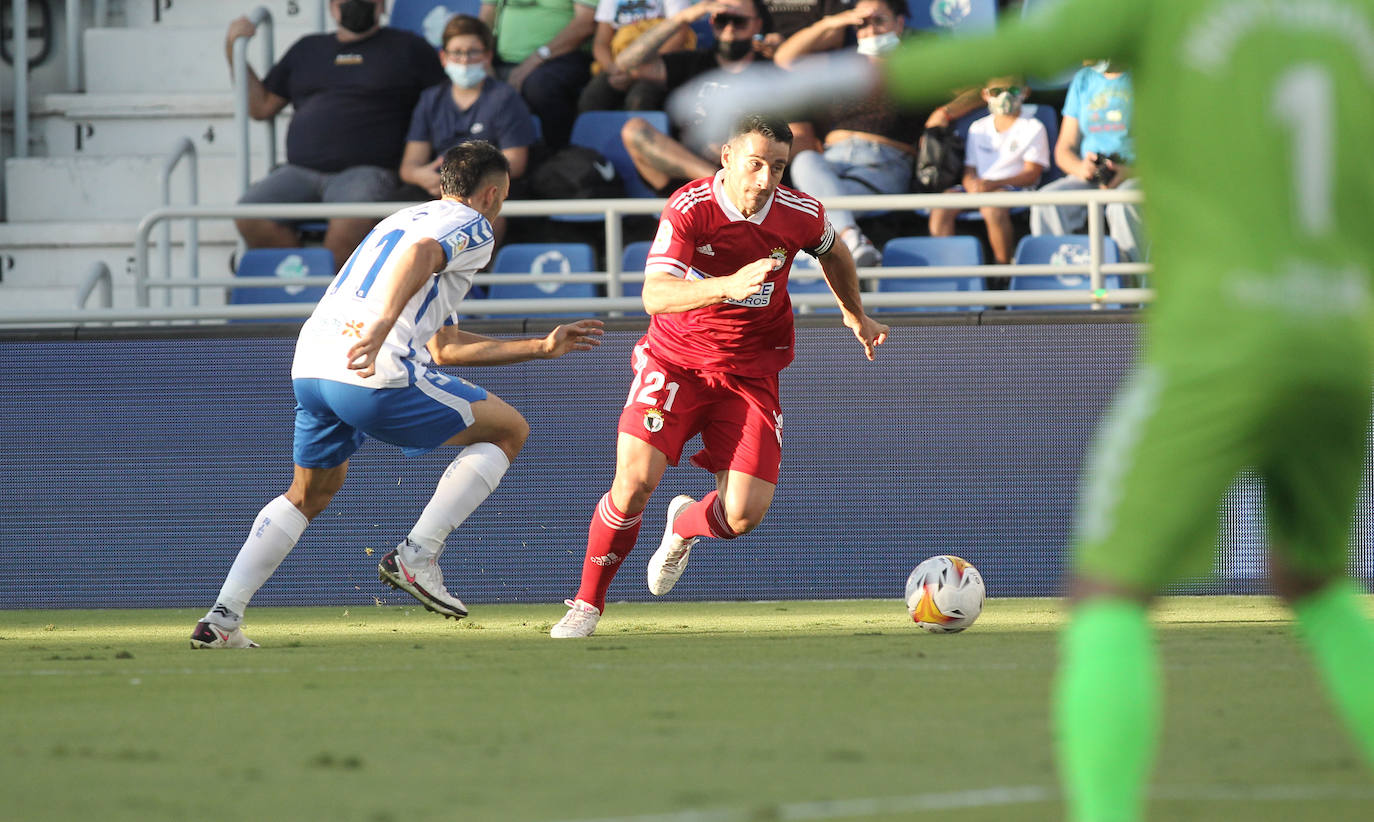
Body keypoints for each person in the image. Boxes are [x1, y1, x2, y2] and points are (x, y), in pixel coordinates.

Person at [676, 0, 1374, 818]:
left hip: (1227, 336)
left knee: (1110, 595)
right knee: (1317, 580)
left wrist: (782, 84)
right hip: (1345, 333)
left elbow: (985, 54)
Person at [191, 142, 604, 649]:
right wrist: (383, 324)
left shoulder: (400, 218)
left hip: (314, 366)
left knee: (309, 494)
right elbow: (421, 257)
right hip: (374, 368)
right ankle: (417, 555)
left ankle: (221, 619)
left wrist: (540, 347)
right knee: (509, 430)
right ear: (492, 193)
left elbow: (445, 347)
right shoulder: (473, 226)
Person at [550, 114, 888, 638]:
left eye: (778, 167)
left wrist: (854, 312)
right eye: (754, 164)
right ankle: (586, 605)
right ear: (727, 157)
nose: (764, 179)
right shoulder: (691, 208)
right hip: (676, 361)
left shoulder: (800, 213)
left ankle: (684, 524)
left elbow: (835, 252)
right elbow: (654, 294)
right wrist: (726, 285)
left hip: (751, 373)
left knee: (743, 516)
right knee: (635, 482)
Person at [225, 0, 446, 271]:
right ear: (331, 5)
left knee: (350, 223)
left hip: (367, 171)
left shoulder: (409, 47)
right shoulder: (307, 49)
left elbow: (447, 100)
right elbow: (261, 107)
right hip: (299, 171)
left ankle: (331, 305)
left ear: (382, 5)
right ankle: (304, 288)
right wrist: (232, 50)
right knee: (250, 213)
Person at [776, 0, 965, 267]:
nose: (871, 29)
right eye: (862, 23)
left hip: (884, 165)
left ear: (899, 23)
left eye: (879, 20)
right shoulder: (843, 68)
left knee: (807, 211)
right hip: (832, 163)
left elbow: (980, 87)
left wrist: (945, 112)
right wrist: (833, 22)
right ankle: (851, 239)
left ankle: (839, 246)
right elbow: (785, 58)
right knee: (806, 162)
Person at [612, 0, 781, 195]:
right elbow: (627, 64)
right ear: (711, 21)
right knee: (634, 130)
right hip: (691, 179)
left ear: (757, 25)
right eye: (722, 20)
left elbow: (794, 135)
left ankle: (726, 183)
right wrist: (681, 18)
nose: (729, 29)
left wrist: (739, 151)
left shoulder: (770, 72)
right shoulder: (693, 62)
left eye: (739, 21)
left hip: (749, 179)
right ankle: (720, 182)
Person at [400, 15, 538, 249]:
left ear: (487, 57)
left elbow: (516, 161)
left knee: (489, 211)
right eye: (457, 52)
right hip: (437, 190)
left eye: (473, 52)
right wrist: (424, 176)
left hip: (485, 190)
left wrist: (466, 181)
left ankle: (474, 285)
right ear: (443, 57)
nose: (464, 60)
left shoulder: (504, 98)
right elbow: (410, 166)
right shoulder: (430, 99)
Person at [1030, 61, 1147, 262]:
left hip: (1137, 175)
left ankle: (1129, 283)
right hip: (1089, 177)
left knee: (1122, 204)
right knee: (1047, 201)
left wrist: (1129, 171)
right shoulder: (1083, 79)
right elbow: (1063, 150)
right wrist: (1081, 168)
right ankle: (1060, 280)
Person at [927, 76, 1048, 265]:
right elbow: (969, 169)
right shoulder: (978, 127)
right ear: (985, 95)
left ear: (1025, 92)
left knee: (992, 208)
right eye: (996, 92)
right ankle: (946, 272)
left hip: (1012, 189)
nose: (1004, 97)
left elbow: (1031, 174)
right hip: (980, 188)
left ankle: (1003, 272)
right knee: (941, 207)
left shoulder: (1034, 127)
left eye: (1013, 90)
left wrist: (992, 184)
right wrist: (971, 185)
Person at [479, 0, 596, 150]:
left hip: (561, 57)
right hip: (502, 60)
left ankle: (558, 155)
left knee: (540, 86)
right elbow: (485, 20)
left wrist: (535, 59)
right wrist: (482, 59)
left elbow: (585, 23)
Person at [576, 0, 696, 113]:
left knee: (640, 99)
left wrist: (639, 70)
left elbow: (678, 35)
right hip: (620, 66)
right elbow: (601, 43)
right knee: (592, 98)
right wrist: (612, 68)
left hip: (658, 65)